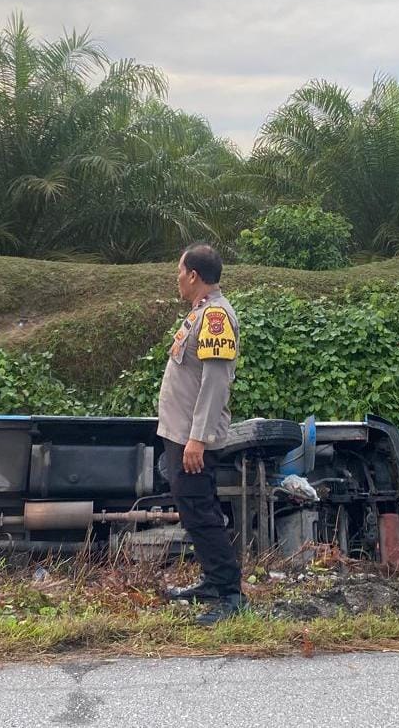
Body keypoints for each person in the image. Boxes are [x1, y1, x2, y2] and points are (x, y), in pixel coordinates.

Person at [156, 243, 245, 626]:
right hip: (181, 433)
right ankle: (213, 582)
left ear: (193, 275)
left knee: (202, 513)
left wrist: (198, 438)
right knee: (195, 512)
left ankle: (230, 595)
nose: (176, 277)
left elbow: (215, 383)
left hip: (193, 439)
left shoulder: (216, 317)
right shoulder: (201, 312)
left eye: (179, 271)